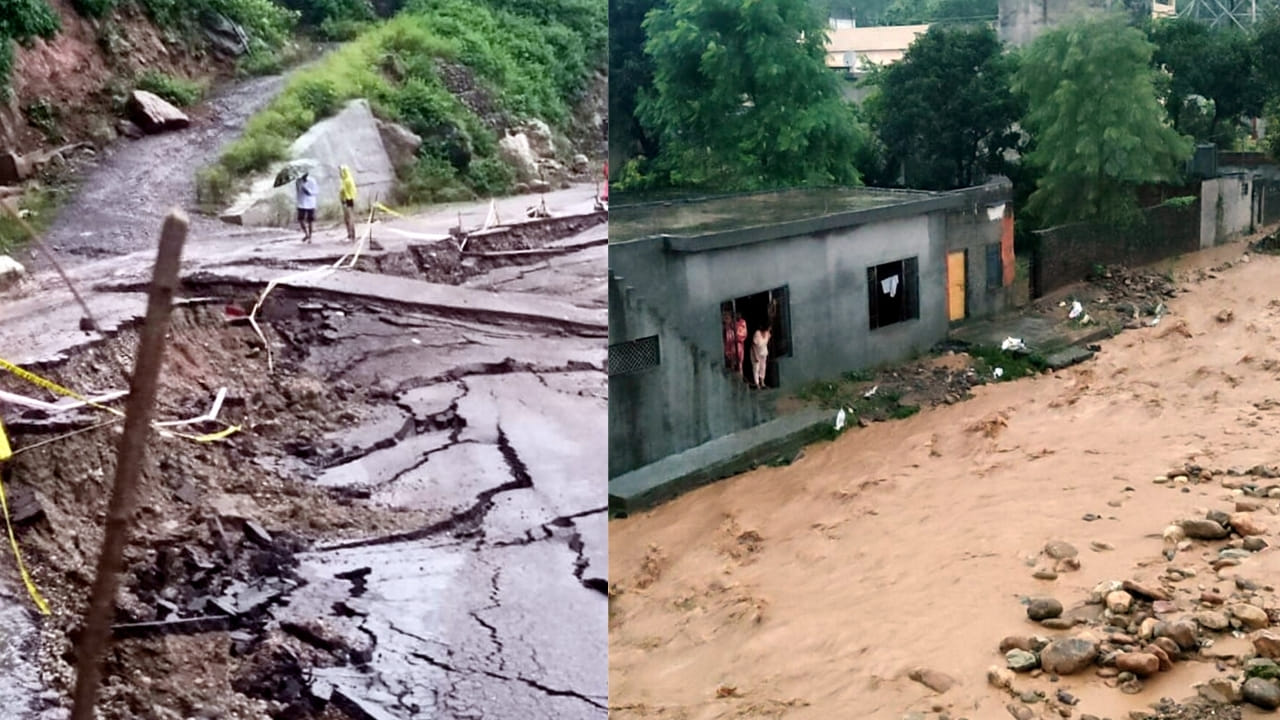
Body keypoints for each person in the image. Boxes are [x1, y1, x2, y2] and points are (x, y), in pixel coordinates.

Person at [295, 171, 318, 242]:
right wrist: (300, 186)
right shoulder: (298, 181)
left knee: (310, 220)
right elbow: (298, 191)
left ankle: (310, 237)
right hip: (301, 203)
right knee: (300, 219)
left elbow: (315, 191)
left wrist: (308, 191)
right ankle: (306, 233)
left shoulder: (312, 181)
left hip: (310, 203)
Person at [339, 165, 358, 242]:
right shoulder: (347, 180)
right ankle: (350, 234)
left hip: (347, 200)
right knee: (348, 219)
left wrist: (344, 199)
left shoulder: (347, 181)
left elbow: (345, 191)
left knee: (349, 219)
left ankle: (351, 236)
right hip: (348, 200)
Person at [734, 314, 748, 381]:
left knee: (740, 362)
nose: (738, 316)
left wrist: (739, 338)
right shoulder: (732, 322)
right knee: (733, 362)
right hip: (732, 344)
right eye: (737, 314)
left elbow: (744, 333)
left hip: (740, 344)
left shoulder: (743, 322)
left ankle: (740, 378)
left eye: (739, 314)